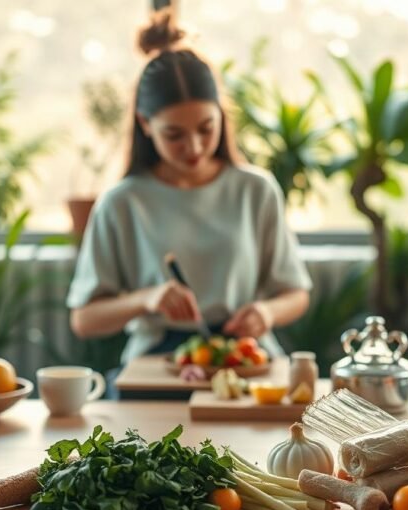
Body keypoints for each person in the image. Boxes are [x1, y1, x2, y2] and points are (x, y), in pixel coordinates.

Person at [66, 8, 312, 397]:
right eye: (175, 134)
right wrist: (147, 299)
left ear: (221, 116)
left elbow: (295, 293)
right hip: (154, 368)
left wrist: (265, 313)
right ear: (146, 125)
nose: (194, 147)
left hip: (249, 362)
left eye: (205, 128)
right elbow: (84, 319)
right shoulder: (122, 202)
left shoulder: (256, 190)